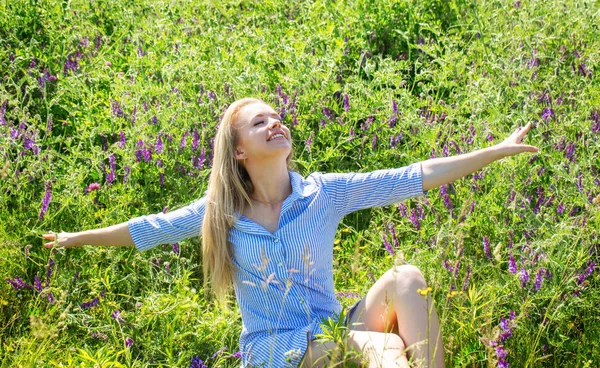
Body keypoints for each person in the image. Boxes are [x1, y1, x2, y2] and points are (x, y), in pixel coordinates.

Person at [42, 97, 538, 367]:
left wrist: (494, 150)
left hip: (332, 326)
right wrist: (77, 238)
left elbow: (413, 175)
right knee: (384, 349)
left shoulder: (323, 193)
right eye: (261, 124)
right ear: (240, 151)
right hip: (276, 349)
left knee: (407, 278)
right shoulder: (222, 213)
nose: (276, 124)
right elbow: (149, 229)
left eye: (277, 118)